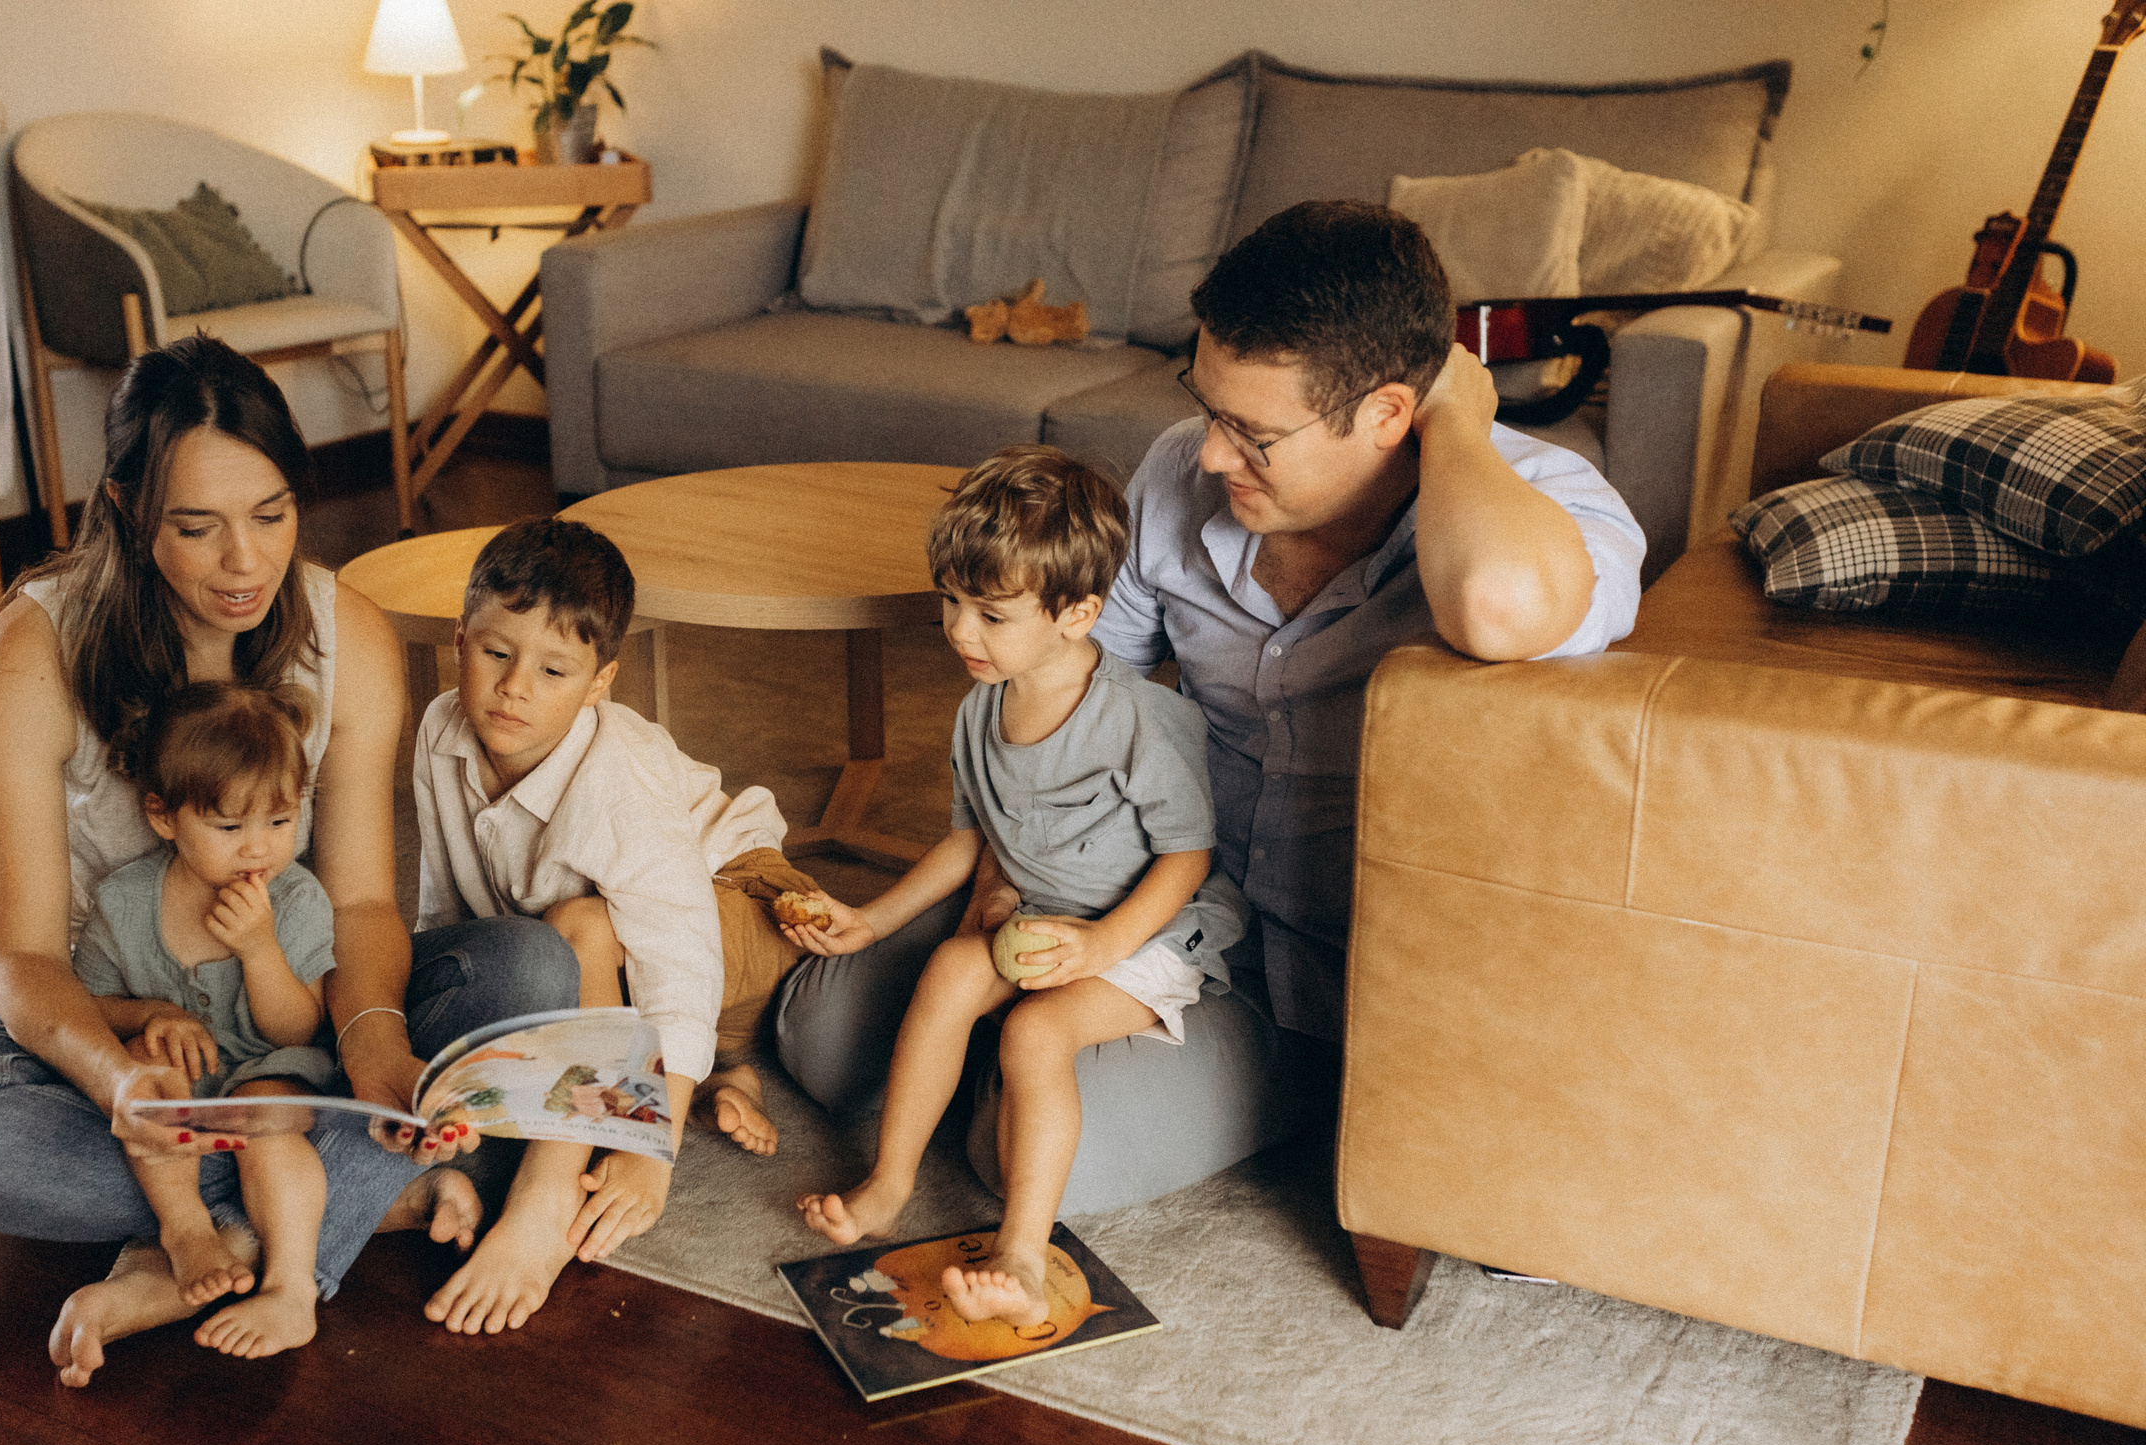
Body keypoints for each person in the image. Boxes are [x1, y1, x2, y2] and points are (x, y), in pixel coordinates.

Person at [774, 200, 1645, 1207]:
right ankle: (1008, 1055)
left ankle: (1142, 1083)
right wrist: (1012, 877)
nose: (1213, 454)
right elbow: (1076, 689)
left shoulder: (1536, 507)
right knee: (822, 1034)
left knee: (1026, 1160)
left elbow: (1498, 608)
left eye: (1254, 433)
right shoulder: (1183, 470)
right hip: (1137, 892)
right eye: (1209, 404)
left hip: (1310, 977)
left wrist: (1457, 418)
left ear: (1388, 413)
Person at [0, 336, 579, 1387]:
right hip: (142, 1044)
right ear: (126, 508)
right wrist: (122, 1084)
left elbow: (366, 898)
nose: (244, 564)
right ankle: (350, 1195)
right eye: (196, 528)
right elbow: (22, 960)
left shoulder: (347, 637)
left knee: (531, 971)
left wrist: (374, 1042)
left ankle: (206, 1241)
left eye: (271, 516)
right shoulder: (30, 654)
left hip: (305, 1028)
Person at [784, 447, 1245, 1325]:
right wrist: (869, 920)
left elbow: (1188, 856)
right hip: (1039, 915)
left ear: (1079, 613)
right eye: (951, 602)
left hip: (1151, 928)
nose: (961, 632)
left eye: (991, 614)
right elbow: (969, 841)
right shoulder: (976, 709)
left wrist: (1104, 946)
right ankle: (889, 1182)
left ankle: (1023, 1254)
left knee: (1035, 1034)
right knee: (951, 971)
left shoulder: (1141, 720)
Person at [409, 516, 829, 1333]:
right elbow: (446, 910)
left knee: (585, 924)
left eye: (554, 668)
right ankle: (725, 1074)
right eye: (495, 653)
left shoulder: (618, 780)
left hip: (743, 906)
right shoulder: (439, 732)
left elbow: (681, 963)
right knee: (559, 939)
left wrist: (648, 1143)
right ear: (458, 640)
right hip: (640, 970)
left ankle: (549, 1190)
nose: (514, 687)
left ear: (600, 682)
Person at [73, 681, 337, 1369]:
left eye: (280, 823)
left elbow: (297, 1030)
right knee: (145, 1064)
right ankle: (188, 1228)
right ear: (163, 817)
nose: (259, 850)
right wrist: (150, 1016)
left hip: (267, 1075)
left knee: (269, 1114)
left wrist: (260, 950)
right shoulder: (124, 903)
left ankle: (289, 1287)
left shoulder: (295, 898)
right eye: (230, 827)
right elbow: (87, 1005)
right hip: (179, 1091)